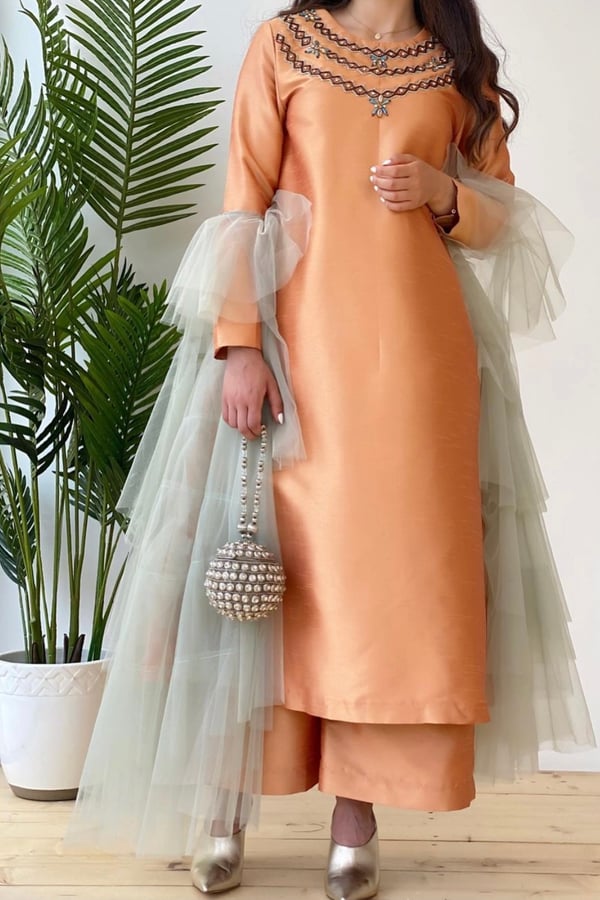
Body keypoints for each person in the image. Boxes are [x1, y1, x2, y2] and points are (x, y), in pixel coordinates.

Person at [64, 1, 596, 898]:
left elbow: (503, 217)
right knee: (264, 574)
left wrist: (446, 196)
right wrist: (239, 344)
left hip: (417, 365)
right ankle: (223, 810)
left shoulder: (453, 59)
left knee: (386, 588)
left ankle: (357, 818)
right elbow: (244, 195)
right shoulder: (284, 43)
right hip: (295, 346)